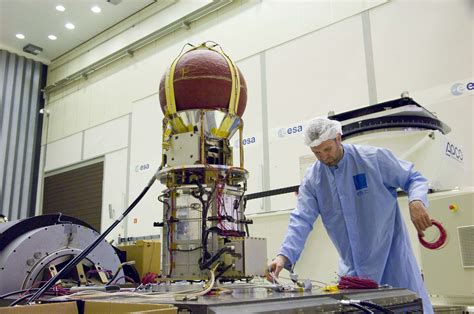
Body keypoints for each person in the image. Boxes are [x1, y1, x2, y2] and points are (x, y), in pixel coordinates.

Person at [268, 117, 434, 313]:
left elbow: (414, 178)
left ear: (339, 138)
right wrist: (283, 257)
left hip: (392, 260)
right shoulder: (314, 179)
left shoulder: (372, 159)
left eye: (327, 149)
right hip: (353, 272)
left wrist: (416, 201)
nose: (323, 157)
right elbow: (301, 219)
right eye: (316, 153)